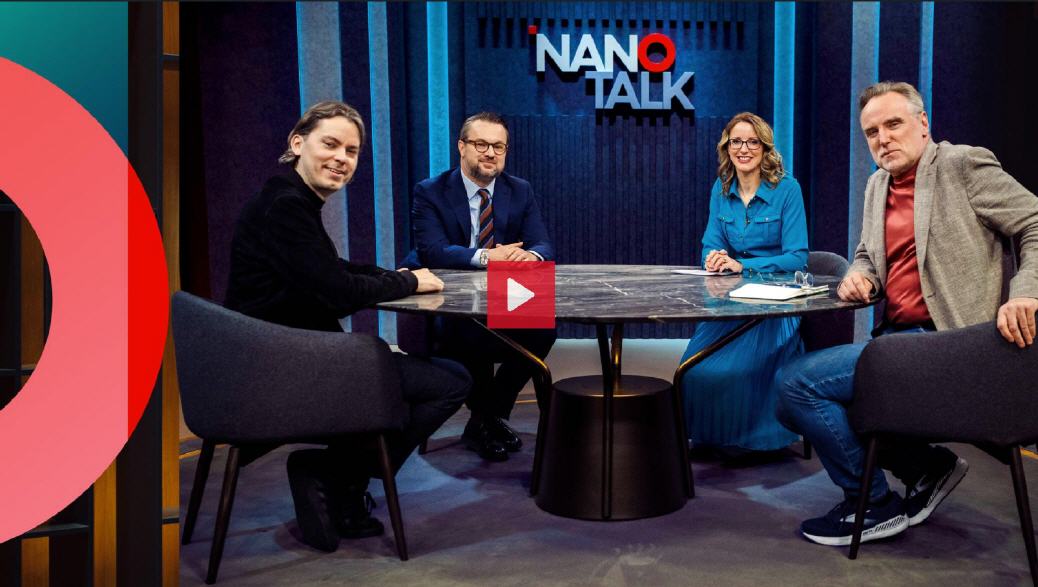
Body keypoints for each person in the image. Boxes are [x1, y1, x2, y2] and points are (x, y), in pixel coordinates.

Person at [776, 81, 1038, 547]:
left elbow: (1034, 222)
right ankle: (928, 469)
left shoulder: (962, 165)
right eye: (872, 132)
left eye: (893, 124)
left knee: (798, 384)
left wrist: (1026, 293)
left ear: (923, 124)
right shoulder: (877, 184)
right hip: (900, 342)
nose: (883, 139)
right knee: (797, 397)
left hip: (953, 345)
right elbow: (867, 254)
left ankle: (873, 505)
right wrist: (862, 277)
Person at [224, 101, 470, 552]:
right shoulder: (285, 207)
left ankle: (341, 478)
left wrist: (391, 276)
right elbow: (337, 292)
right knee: (449, 382)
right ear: (298, 143)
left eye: (351, 151)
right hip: (281, 370)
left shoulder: (287, 200)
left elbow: (329, 269)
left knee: (423, 375)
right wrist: (408, 281)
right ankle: (336, 476)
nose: (341, 158)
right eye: (331, 144)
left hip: (285, 354)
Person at [400, 112, 557, 462]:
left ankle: (487, 416)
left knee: (544, 330)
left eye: (498, 147)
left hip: (505, 295)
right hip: (451, 299)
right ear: (462, 147)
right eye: (481, 144)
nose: (490, 153)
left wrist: (529, 257)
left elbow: (543, 245)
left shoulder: (519, 190)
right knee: (471, 334)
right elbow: (432, 250)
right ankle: (488, 422)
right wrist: (488, 257)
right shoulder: (431, 191)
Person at [679, 112, 809, 456]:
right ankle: (709, 436)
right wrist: (713, 258)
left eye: (753, 142)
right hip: (732, 297)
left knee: (736, 371)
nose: (744, 149)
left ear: (765, 148)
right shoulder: (721, 189)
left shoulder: (787, 189)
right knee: (691, 368)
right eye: (736, 141)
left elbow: (797, 258)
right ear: (727, 147)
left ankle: (749, 441)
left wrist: (744, 265)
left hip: (777, 302)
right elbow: (710, 243)